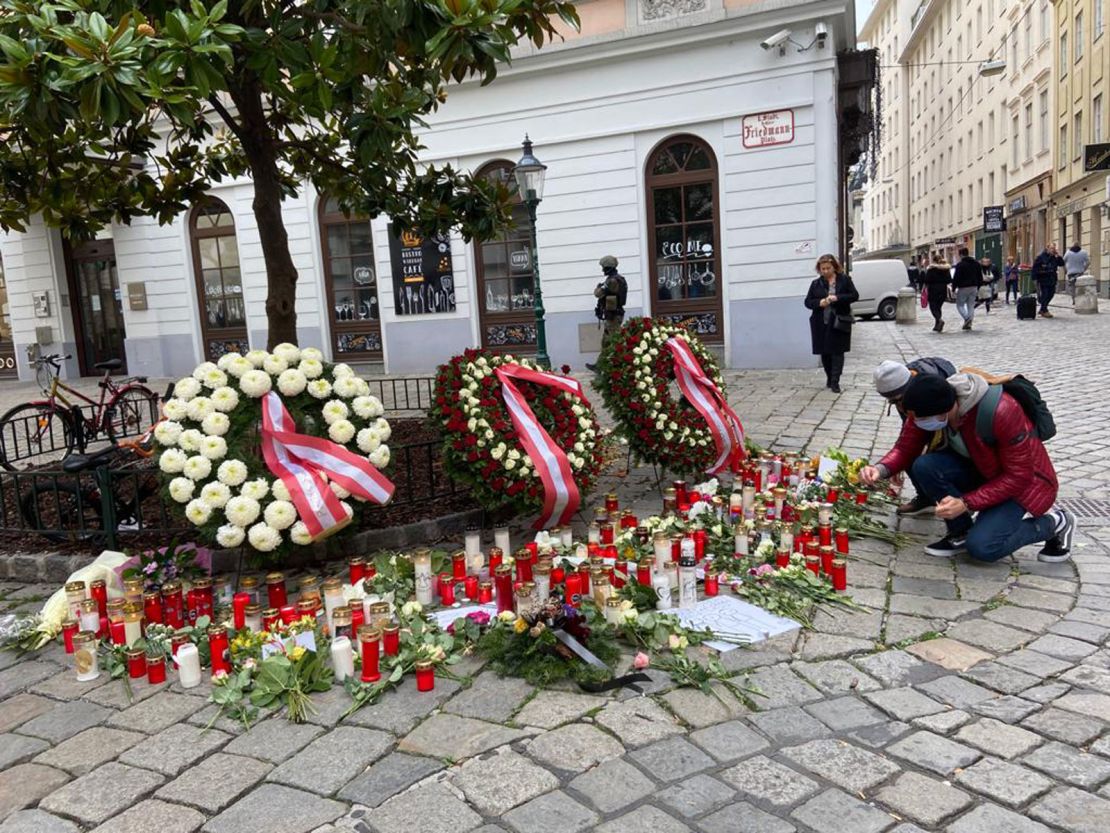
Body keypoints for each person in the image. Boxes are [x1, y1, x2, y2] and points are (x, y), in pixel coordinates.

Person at [859, 373, 1075, 562]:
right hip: (983, 471)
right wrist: (880, 469)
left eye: (922, 419)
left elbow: (1019, 476)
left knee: (983, 547)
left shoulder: (1002, 411)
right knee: (924, 465)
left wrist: (965, 503)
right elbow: (906, 447)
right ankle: (960, 532)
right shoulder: (927, 406)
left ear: (944, 411)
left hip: (1025, 484)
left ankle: (1055, 523)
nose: (918, 423)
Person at [873, 357, 957, 516]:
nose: (899, 406)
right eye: (892, 402)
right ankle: (926, 498)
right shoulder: (903, 395)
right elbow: (908, 437)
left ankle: (955, 501)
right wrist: (892, 466)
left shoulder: (933, 388)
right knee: (912, 455)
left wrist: (968, 502)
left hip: (951, 430)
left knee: (930, 462)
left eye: (898, 400)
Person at [804, 253, 859, 394]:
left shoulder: (845, 280)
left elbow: (854, 295)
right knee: (825, 353)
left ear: (834, 267)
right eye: (822, 269)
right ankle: (829, 377)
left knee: (837, 352)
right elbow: (808, 302)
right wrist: (819, 302)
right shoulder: (816, 284)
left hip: (839, 320)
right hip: (821, 322)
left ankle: (835, 381)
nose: (825, 271)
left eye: (828, 268)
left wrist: (837, 298)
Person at [585, 255, 627, 372]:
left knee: (614, 342)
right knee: (606, 342)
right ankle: (600, 366)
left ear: (608, 267)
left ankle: (622, 366)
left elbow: (597, 293)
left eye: (604, 267)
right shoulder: (616, 279)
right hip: (612, 315)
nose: (603, 270)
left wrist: (598, 287)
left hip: (613, 316)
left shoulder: (612, 281)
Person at [952, 247, 982, 330]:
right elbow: (980, 276)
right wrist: (978, 286)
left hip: (963, 287)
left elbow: (956, 278)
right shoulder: (976, 263)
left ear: (961, 254)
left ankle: (967, 318)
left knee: (959, 305)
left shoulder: (960, 265)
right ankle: (969, 323)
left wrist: (953, 288)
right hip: (974, 287)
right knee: (971, 306)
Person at [1032, 243, 1065, 318]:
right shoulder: (1041, 257)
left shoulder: (1054, 257)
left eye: (1054, 248)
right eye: (1051, 248)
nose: (1053, 250)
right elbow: (1035, 269)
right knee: (1045, 294)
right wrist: (1034, 278)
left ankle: (1042, 309)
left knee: (1051, 294)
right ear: (1047, 248)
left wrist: (1058, 256)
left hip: (1052, 278)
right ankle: (1045, 310)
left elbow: (1061, 263)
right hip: (1043, 279)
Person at [923, 253, 951, 332]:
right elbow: (949, 280)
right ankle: (937, 325)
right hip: (943, 290)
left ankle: (939, 320)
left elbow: (927, 280)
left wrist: (925, 287)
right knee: (938, 307)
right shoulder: (945, 269)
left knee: (933, 307)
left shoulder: (931, 269)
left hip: (933, 290)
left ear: (934, 260)